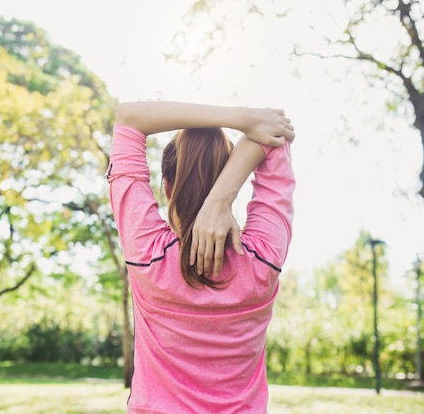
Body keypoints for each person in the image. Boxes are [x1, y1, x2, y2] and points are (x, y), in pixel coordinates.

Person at [107, 101, 295, 413]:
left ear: (167, 187)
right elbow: (275, 134)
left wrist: (239, 119)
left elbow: (129, 119)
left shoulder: (148, 255)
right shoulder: (262, 259)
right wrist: (221, 198)